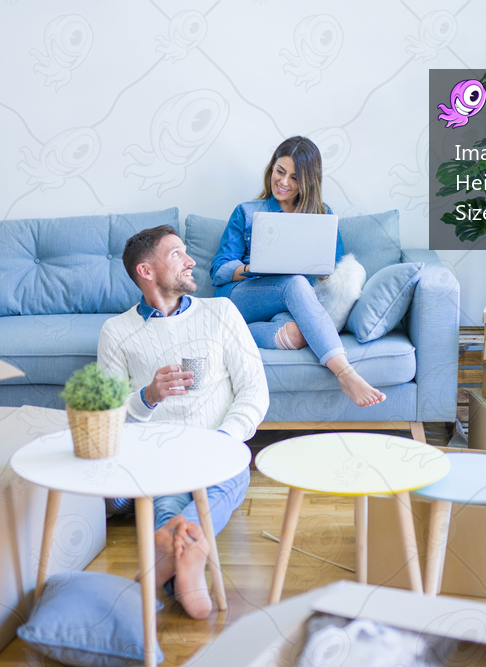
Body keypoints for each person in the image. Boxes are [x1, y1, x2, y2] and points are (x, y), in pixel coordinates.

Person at [97, 224, 268, 620]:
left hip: (218, 449)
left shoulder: (221, 312)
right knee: (169, 490)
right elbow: (106, 417)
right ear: (146, 271)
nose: (191, 261)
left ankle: (173, 555)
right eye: (177, 254)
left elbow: (254, 391)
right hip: (157, 456)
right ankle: (187, 555)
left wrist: (222, 443)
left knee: (232, 471)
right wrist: (147, 397)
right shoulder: (117, 332)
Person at [211, 136, 386, 408]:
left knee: (295, 334)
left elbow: (333, 270)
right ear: (271, 169)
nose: (283, 182)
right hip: (241, 296)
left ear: (308, 182)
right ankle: (345, 373)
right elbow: (218, 271)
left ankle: (228, 333)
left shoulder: (322, 215)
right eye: (280, 172)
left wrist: (317, 267)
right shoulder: (246, 212)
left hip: (291, 302)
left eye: (294, 178)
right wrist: (252, 267)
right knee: (292, 282)